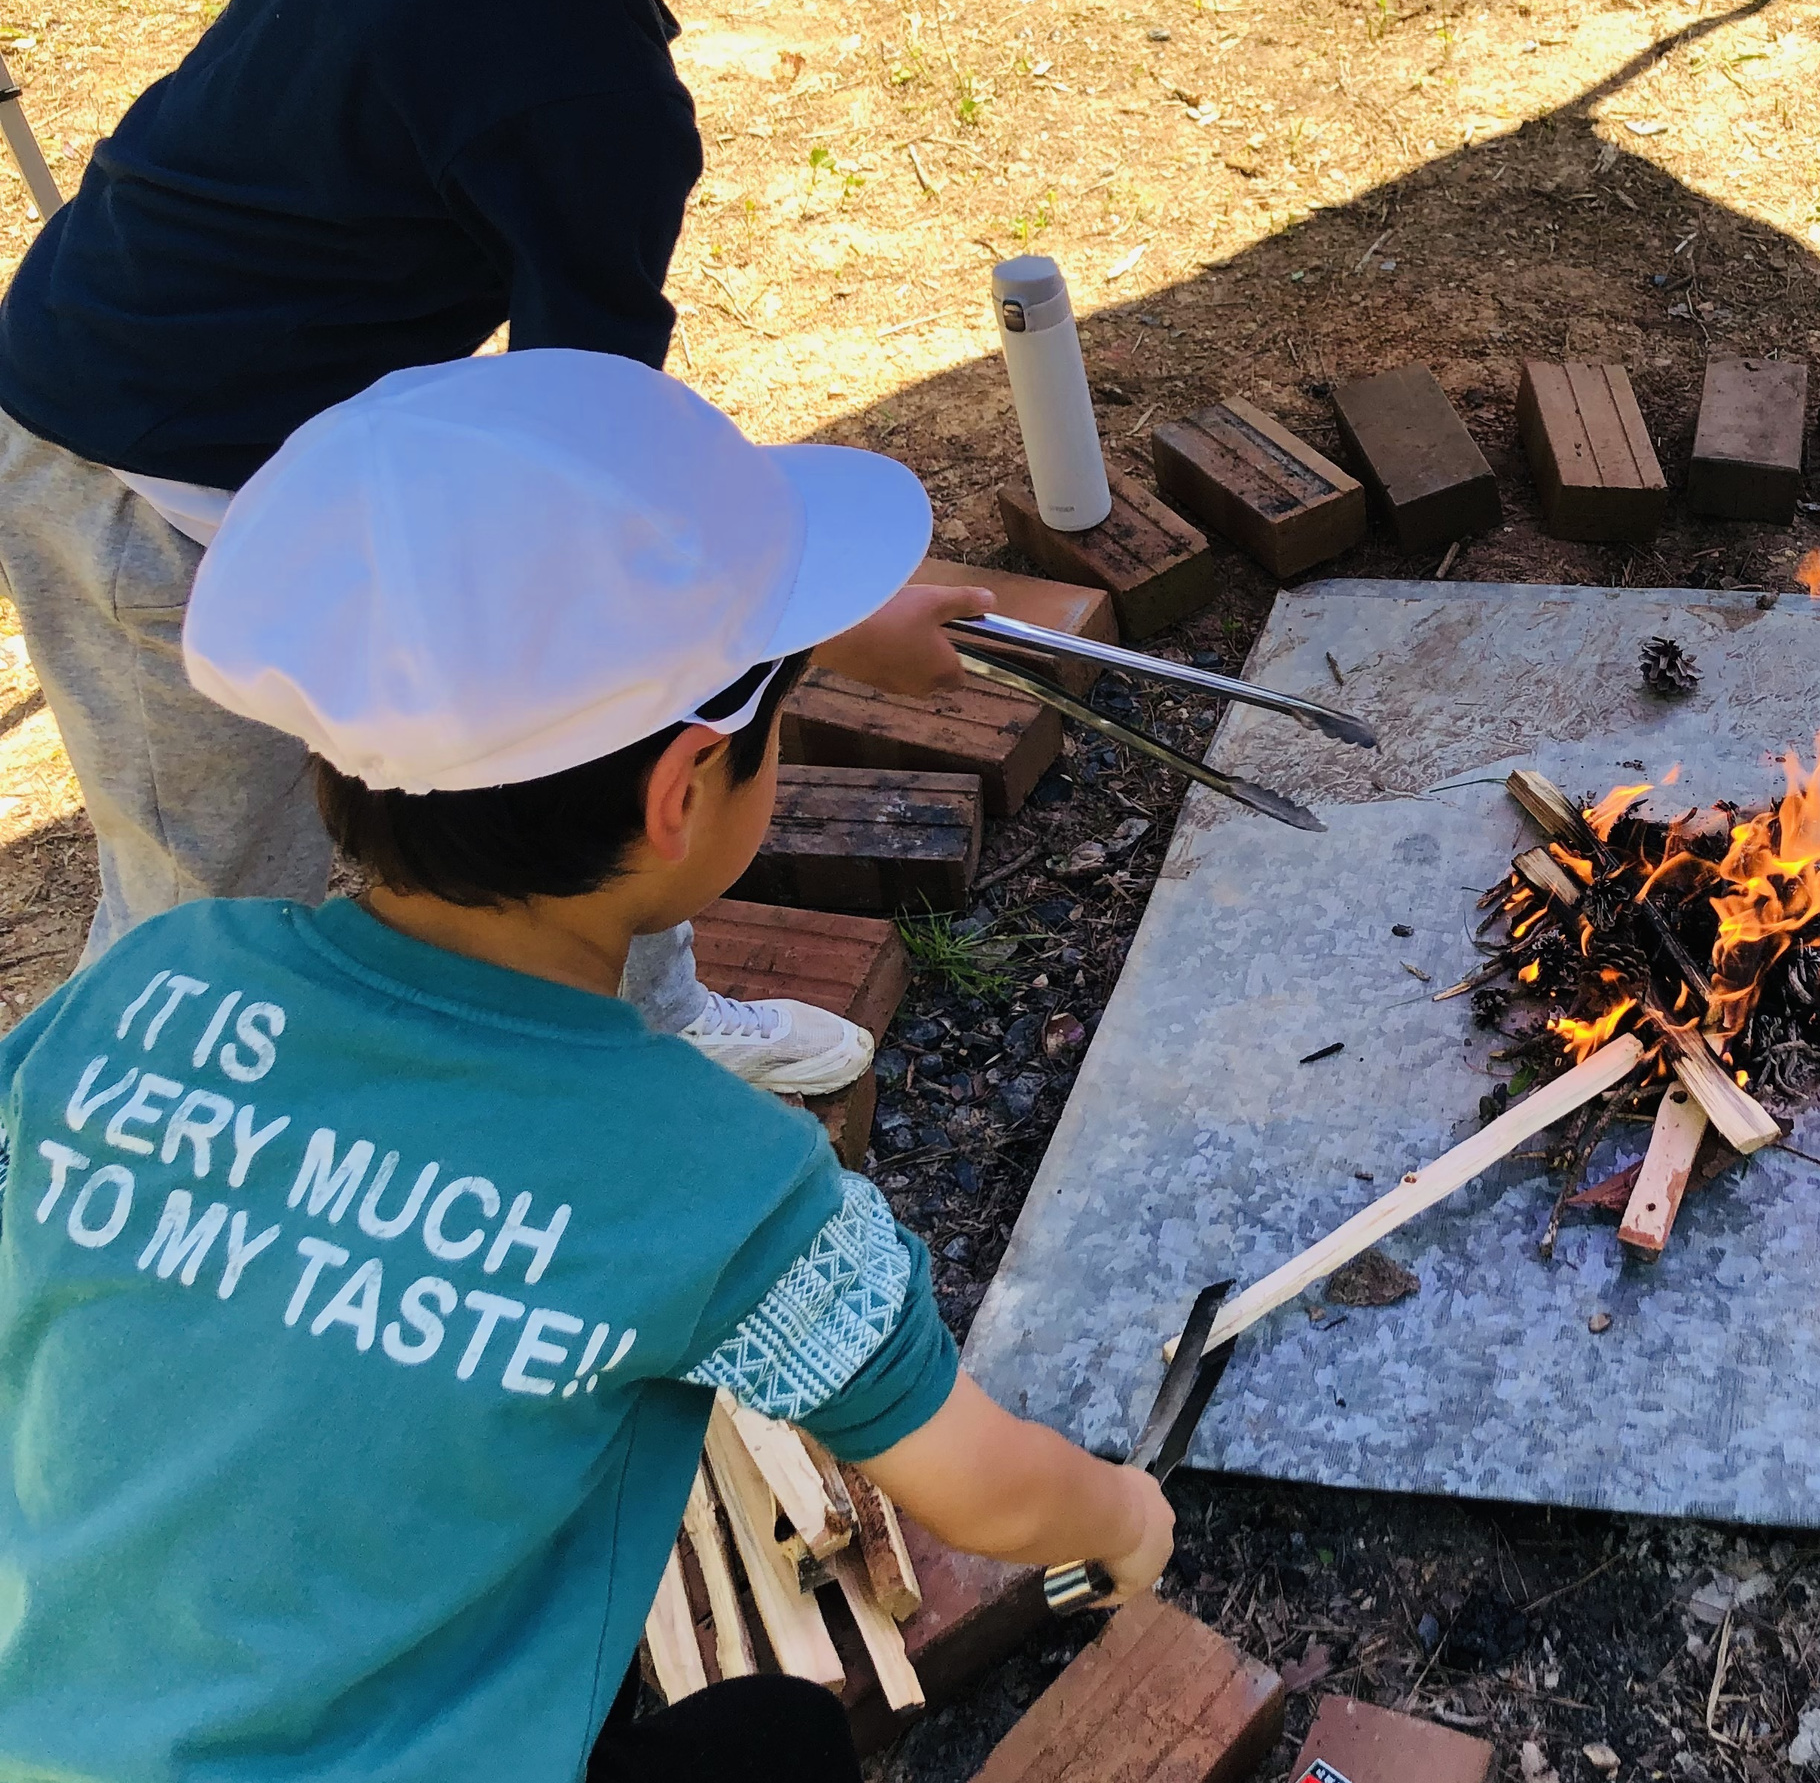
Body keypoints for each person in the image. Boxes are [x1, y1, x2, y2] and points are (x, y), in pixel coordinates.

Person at [0, 353, 1175, 1783]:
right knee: (781, 1748)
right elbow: (985, 1491)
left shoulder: (152, 981)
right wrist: (1125, 1518)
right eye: (779, 729)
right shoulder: (708, 1174)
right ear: (683, 795)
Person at [0, 0, 976, 1092]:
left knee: (576, 709)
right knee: (206, 914)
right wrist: (827, 615)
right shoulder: (586, 86)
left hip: (300, 440)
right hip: (132, 470)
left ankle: (650, 1022)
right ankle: (109, 1146)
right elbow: (594, 484)